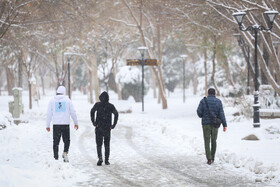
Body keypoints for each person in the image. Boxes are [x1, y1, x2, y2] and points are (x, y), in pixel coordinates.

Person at [46, 86, 78, 162]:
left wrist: (47, 125)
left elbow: (49, 114)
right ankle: (65, 152)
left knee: (56, 141)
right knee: (67, 140)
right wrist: (75, 122)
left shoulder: (52, 101)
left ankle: (56, 157)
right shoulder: (68, 101)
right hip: (65, 124)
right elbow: (73, 112)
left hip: (56, 124)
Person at [196, 88, 227, 165]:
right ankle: (213, 157)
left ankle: (209, 158)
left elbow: (199, 112)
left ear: (208, 93)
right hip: (215, 124)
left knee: (207, 141)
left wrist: (203, 114)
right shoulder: (218, 102)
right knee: (214, 141)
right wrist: (224, 125)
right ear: (215, 94)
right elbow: (221, 114)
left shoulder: (203, 101)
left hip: (205, 124)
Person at [90, 91, 118, 166]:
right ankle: (106, 160)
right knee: (107, 144)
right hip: (107, 128)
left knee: (99, 144)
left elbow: (92, 111)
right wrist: (113, 125)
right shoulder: (110, 106)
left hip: (99, 127)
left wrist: (94, 122)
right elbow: (116, 114)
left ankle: (100, 158)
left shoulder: (97, 105)